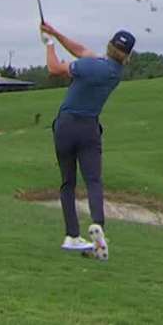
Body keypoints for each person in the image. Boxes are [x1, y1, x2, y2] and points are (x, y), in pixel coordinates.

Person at [41, 20, 137, 260]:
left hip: (66, 126)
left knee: (68, 183)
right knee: (93, 180)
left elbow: (54, 69)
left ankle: (72, 236)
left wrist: (49, 43)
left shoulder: (91, 66)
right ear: (127, 56)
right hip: (90, 129)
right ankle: (98, 225)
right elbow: (81, 51)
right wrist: (56, 33)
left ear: (109, 45)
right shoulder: (113, 72)